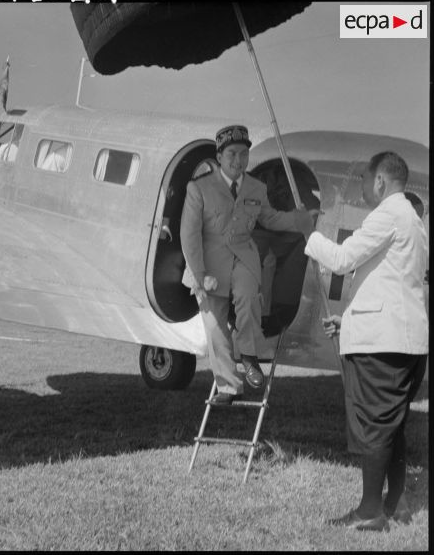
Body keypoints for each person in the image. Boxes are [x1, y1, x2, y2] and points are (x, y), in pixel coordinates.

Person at [305, 151, 428, 532]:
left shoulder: (388, 213)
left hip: (384, 345)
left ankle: (371, 511)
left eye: (364, 179)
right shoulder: (415, 220)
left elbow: (342, 259)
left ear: (380, 181)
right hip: (402, 339)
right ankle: (396, 503)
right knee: (391, 425)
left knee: (375, 425)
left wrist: (307, 234)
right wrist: (351, 321)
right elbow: (392, 285)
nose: (361, 187)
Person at [180, 124, 316, 404]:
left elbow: (270, 218)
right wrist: (199, 274)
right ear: (219, 156)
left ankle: (250, 357)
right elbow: (189, 235)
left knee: (248, 299)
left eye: (243, 154)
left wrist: (298, 220)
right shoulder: (199, 188)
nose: (237, 160)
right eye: (231, 154)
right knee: (215, 324)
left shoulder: (256, 187)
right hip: (207, 262)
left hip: (244, 256)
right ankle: (229, 387)